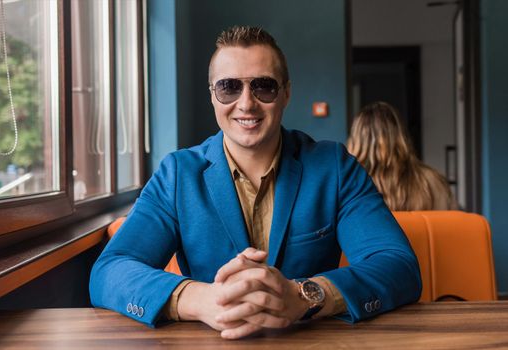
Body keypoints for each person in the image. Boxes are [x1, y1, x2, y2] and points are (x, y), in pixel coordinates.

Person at [89, 26, 421, 340]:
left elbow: (398, 265)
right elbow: (109, 271)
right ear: (213, 96)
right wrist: (199, 299)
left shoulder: (334, 167)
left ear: (286, 93)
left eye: (264, 86)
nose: (246, 103)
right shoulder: (178, 174)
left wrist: (307, 295)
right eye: (229, 87)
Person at [346, 101, 458, 211]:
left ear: (355, 141)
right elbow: (453, 224)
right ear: (401, 137)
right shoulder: (434, 181)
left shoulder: (348, 187)